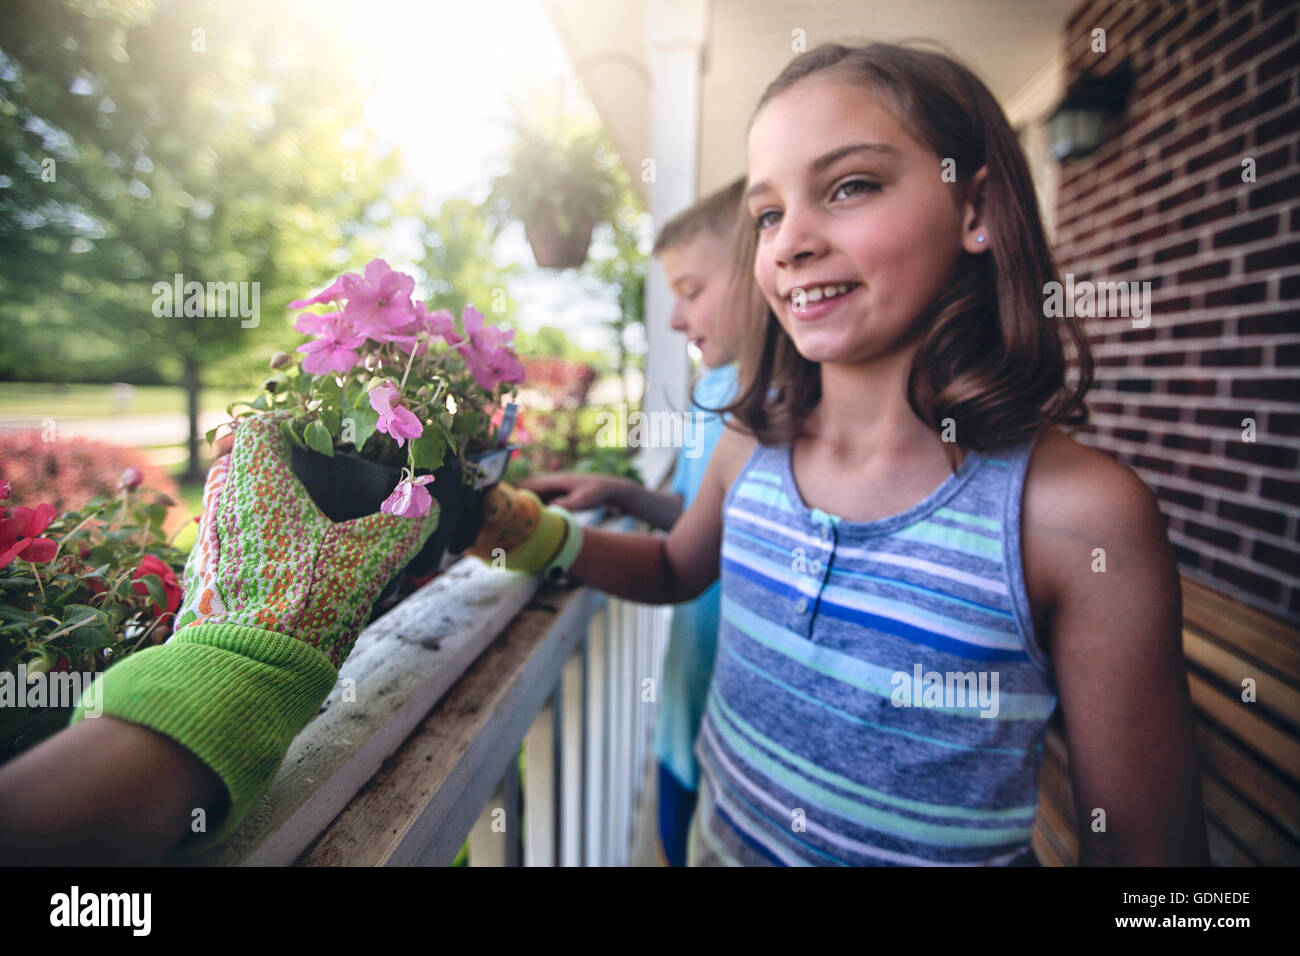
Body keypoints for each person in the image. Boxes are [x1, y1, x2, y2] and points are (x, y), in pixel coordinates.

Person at [0, 40, 1210, 866]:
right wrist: (512, 526)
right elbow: (682, 565)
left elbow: (1151, 859)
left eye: (848, 186)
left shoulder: (1074, 513)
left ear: (979, 207)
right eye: (769, 212)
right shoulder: (756, 436)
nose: (788, 243)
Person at [519, 177, 745, 867]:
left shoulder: (782, 412)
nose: (676, 318)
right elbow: (700, 522)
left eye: (693, 289)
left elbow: (686, 556)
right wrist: (620, 490)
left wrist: (530, 538)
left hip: (744, 737)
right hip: (687, 711)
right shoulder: (713, 394)